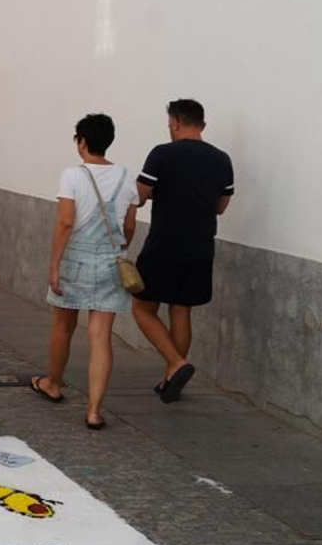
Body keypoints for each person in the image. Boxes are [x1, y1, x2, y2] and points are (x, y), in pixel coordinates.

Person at [29, 114, 140, 430]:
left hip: (75, 260)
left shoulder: (72, 176)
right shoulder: (127, 177)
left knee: (63, 326)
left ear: (82, 142)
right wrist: (117, 250)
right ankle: (93, 411)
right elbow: (129, 226)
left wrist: (54, 265)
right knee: (101, 336)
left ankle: (53, 384)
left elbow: (65, 222)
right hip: (110, 262)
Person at [131, 99, 234, 403]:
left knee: (142, 307)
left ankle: (176, 363)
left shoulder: (162, 154)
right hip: (201, 246)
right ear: (202, 124)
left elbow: (140, 196)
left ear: (175, 122)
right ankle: (170, 379)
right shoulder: (222, 159)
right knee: (181, 309)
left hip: (164, 245)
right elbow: (221, 206)